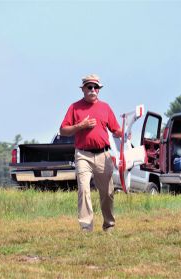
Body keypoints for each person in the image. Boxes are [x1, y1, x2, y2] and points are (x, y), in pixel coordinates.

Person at [60, 74, 123, 232]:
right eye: (89, 87)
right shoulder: (74, 108)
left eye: (96, 87)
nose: (93, 90)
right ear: (83, 89)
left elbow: (116, 129)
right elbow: (63, 130)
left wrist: (125, 133)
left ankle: (109, 225)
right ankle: (86, 227)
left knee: (108, 193)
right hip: (83, 155)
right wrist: (81, 125)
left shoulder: (105, 107)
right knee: (84, 189)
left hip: (104, 155)